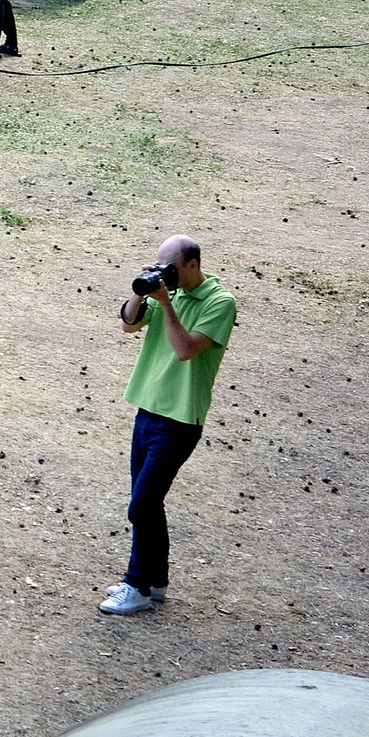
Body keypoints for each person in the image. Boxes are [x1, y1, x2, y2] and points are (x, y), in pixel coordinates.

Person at [100, 236, 236, 617]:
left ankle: (136, 587)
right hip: (148, 409)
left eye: (171, 267)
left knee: (140, 507)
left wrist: (166, 305)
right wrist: (142, 293)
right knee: (148, 504)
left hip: (179, 420)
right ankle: (155, 581)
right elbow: (129, 325)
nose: (166, 274)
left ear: (192, 264)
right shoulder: (165, 292)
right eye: (160, 265)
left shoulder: (219, 302)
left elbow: (185, 350)